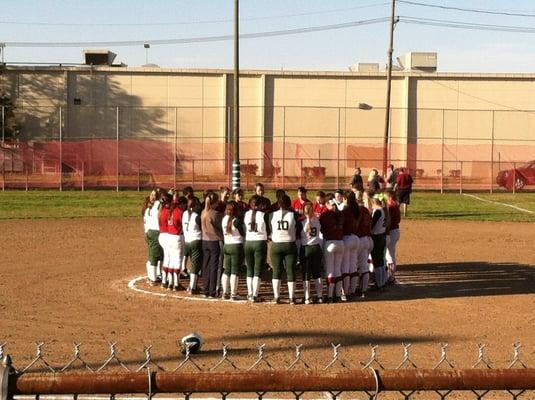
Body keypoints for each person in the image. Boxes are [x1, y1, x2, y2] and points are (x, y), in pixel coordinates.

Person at [269, 194, 302, 304]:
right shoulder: (294, 215)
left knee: (276, 271)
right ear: (289, 204)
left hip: (276, 244)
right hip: (289, 244)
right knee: (290, 270)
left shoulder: (271, 215)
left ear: (278, 204)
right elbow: (299, 228)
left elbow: (270, 229)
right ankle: (292, 298)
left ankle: (276, 297)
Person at [243, 195, 269, 302]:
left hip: (248, 242)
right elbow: (267, 229)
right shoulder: (263, 215)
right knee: (257, 269)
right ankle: (255, 294)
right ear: (261, 205)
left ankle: (250, 293)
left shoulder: (246, 214)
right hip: (260, 242)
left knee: (249, 269)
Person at [320, 194, 345, 302]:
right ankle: (338, 295)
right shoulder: (340, 214)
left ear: (327, 204)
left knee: (330, 270)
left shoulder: (325, 214)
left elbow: (321, 229)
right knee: (338, 270)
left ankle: (330, 296)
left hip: (330, 243)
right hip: (340, 243)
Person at [221, 201, 245, 301]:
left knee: (227, 270)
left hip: (227, 245)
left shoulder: (224, 219)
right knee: (235, 271)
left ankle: (225, 292)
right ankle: (233, 294)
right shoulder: (236, 220)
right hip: (236, 246)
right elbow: (243, 233)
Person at [201, 192, 224, 298]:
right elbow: (221, 227)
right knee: (215, 266)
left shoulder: (203, 212)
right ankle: (212, 290)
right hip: (215, 241)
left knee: (206, 265)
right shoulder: (215, 214)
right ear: (214, 202)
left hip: (205, 241)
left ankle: (205, 289)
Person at [300, 203, 323, 304]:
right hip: (316, 247)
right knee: (317, 273)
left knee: (306, 274)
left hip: (306, 248)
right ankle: (320, 296)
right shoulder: (317, 221)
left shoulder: (302, 222)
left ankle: (307, 297)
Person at [341, 191, 360, 301]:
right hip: (355, 238)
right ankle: (352, 291)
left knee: (345, 267)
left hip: (347, 238)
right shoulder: (356, 208)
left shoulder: (346, 209)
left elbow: (341, 224)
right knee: (353, 266)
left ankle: (345, 291)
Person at [182, 196, 203, 294]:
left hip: (187, 241)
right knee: (195, 264)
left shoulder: (184, 214)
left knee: (191, 262)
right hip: (196, 241)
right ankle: (192, 287)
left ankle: (192, 285)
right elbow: (201, 229)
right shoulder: (196, 216)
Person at [143, 190, 163, 285]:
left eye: (154, 195)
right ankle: (153, 279)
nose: (152, 196)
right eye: (151, 194)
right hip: (154, 233)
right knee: (154, 256)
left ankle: (154, 275)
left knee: (154, 254)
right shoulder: (153, 207)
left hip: (150, 233)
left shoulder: (149, 208)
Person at [166, 196, 186, 291]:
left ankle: (170, 283)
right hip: (177, 236)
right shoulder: (180, 212)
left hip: (169, 236)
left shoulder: (170, 211)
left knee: (171, 260)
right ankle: (176, 284)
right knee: (178, 260)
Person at [355, 191, 373, 298]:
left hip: (360, 239)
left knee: (357, 266)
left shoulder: (358, 210)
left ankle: (358, 288)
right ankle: (364, 289)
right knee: (364, 266)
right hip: (368, 238)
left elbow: (356, 224)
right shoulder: (366, 210)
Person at [370, 195, 387, 289]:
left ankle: (379, 283)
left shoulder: (377, 211)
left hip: (376, 237)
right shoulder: (383, 210)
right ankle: (382, 282)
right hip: (382, 236)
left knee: (377, 261)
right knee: (380, 260)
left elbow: (372, 225)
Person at [385, 189, 401, 283]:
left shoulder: (391, 206)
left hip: (392, 231)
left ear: (389, 197)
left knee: (389, 254)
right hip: (395, 230)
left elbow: (388, 221)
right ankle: (391, 275)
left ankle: (390, 276)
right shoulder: (395, 204)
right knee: (391, 253)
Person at [158, 192, 172, 289]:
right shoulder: (168, 211)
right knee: (169, 259)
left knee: (167, 257)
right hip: (167, 236)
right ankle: (166, 281)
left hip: (162, 235)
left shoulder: (161, 210)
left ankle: (164, 279)